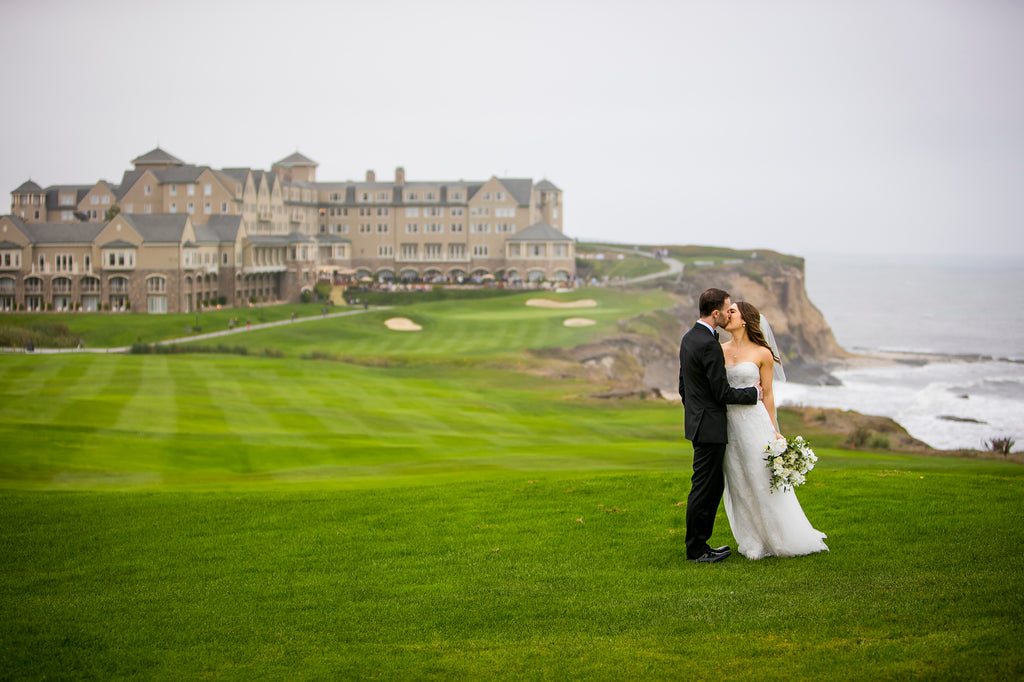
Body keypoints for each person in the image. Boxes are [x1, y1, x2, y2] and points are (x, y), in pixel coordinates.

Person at [720, 300, 828, 560]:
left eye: (732, 311)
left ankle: (780, 537)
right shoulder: (719, 349)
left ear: (744, 319)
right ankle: (751, 540)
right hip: (728, 425)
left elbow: (768, 396)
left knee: (761, 479)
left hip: (754, 423)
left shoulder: (762, 353)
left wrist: (774, 430)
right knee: (738, 481)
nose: (727, 315)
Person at [678, 288, 761, 563]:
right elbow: (722, 393)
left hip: (699, 424)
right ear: (716, 313)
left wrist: (695, 412)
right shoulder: (708, 344)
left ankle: (700, 546)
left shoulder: (690, 338)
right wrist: (753, 394)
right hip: (710, 427)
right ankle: (697, 550)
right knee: (705, 489)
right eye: (727, 309)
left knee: (708, 487)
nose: (729, 313)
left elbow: (683, 387)